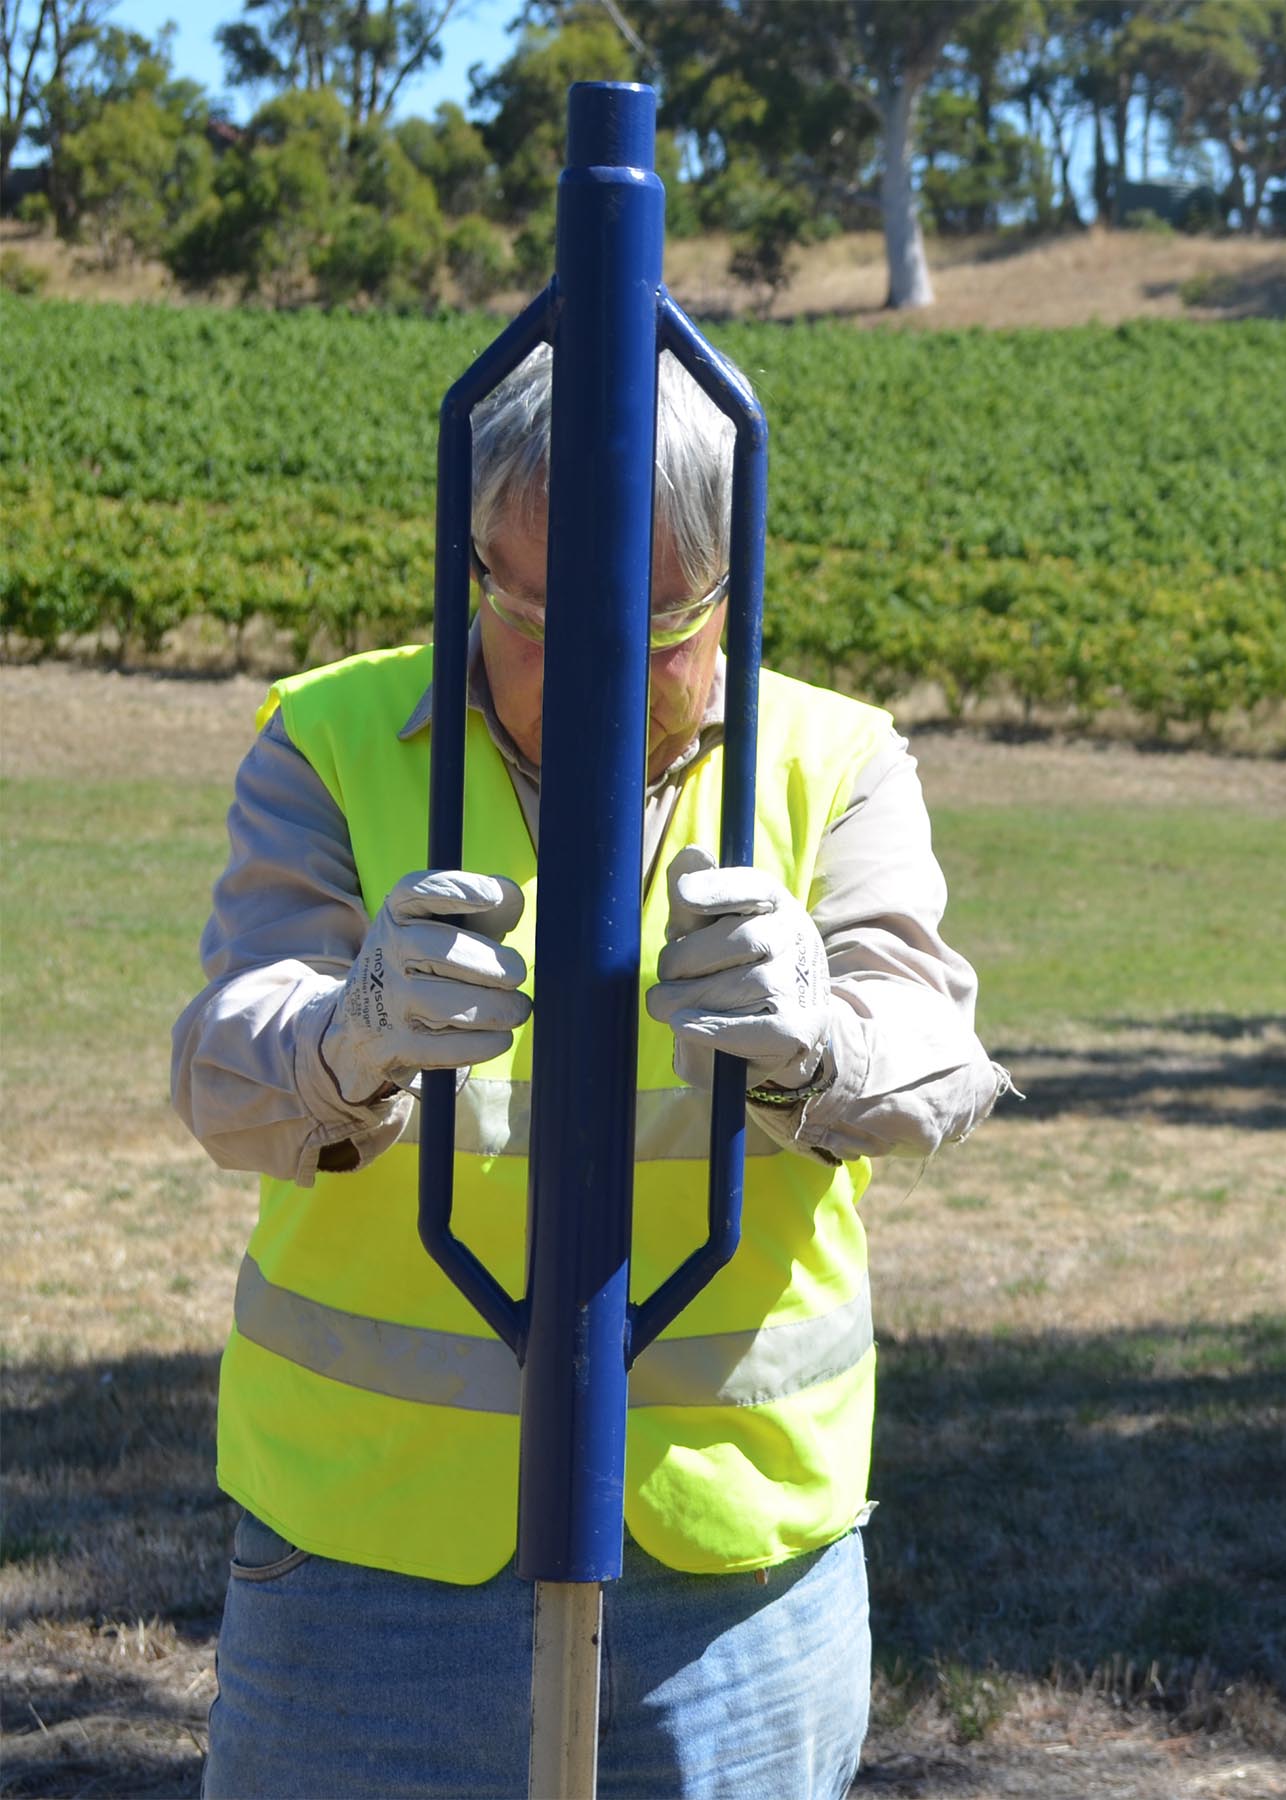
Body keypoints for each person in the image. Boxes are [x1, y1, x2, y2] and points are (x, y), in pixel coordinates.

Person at [171, 342, 1010, 1799]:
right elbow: (223, 1071)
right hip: (367, 1566)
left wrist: (820, 1038)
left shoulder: (836, 757)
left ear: (733, 587)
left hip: (727, 1576)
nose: (581, 667)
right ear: (470, 563)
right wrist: (343, 1037)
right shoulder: (333, 736)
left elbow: (940, 1059)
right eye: (526, 610)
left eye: (653, 619)